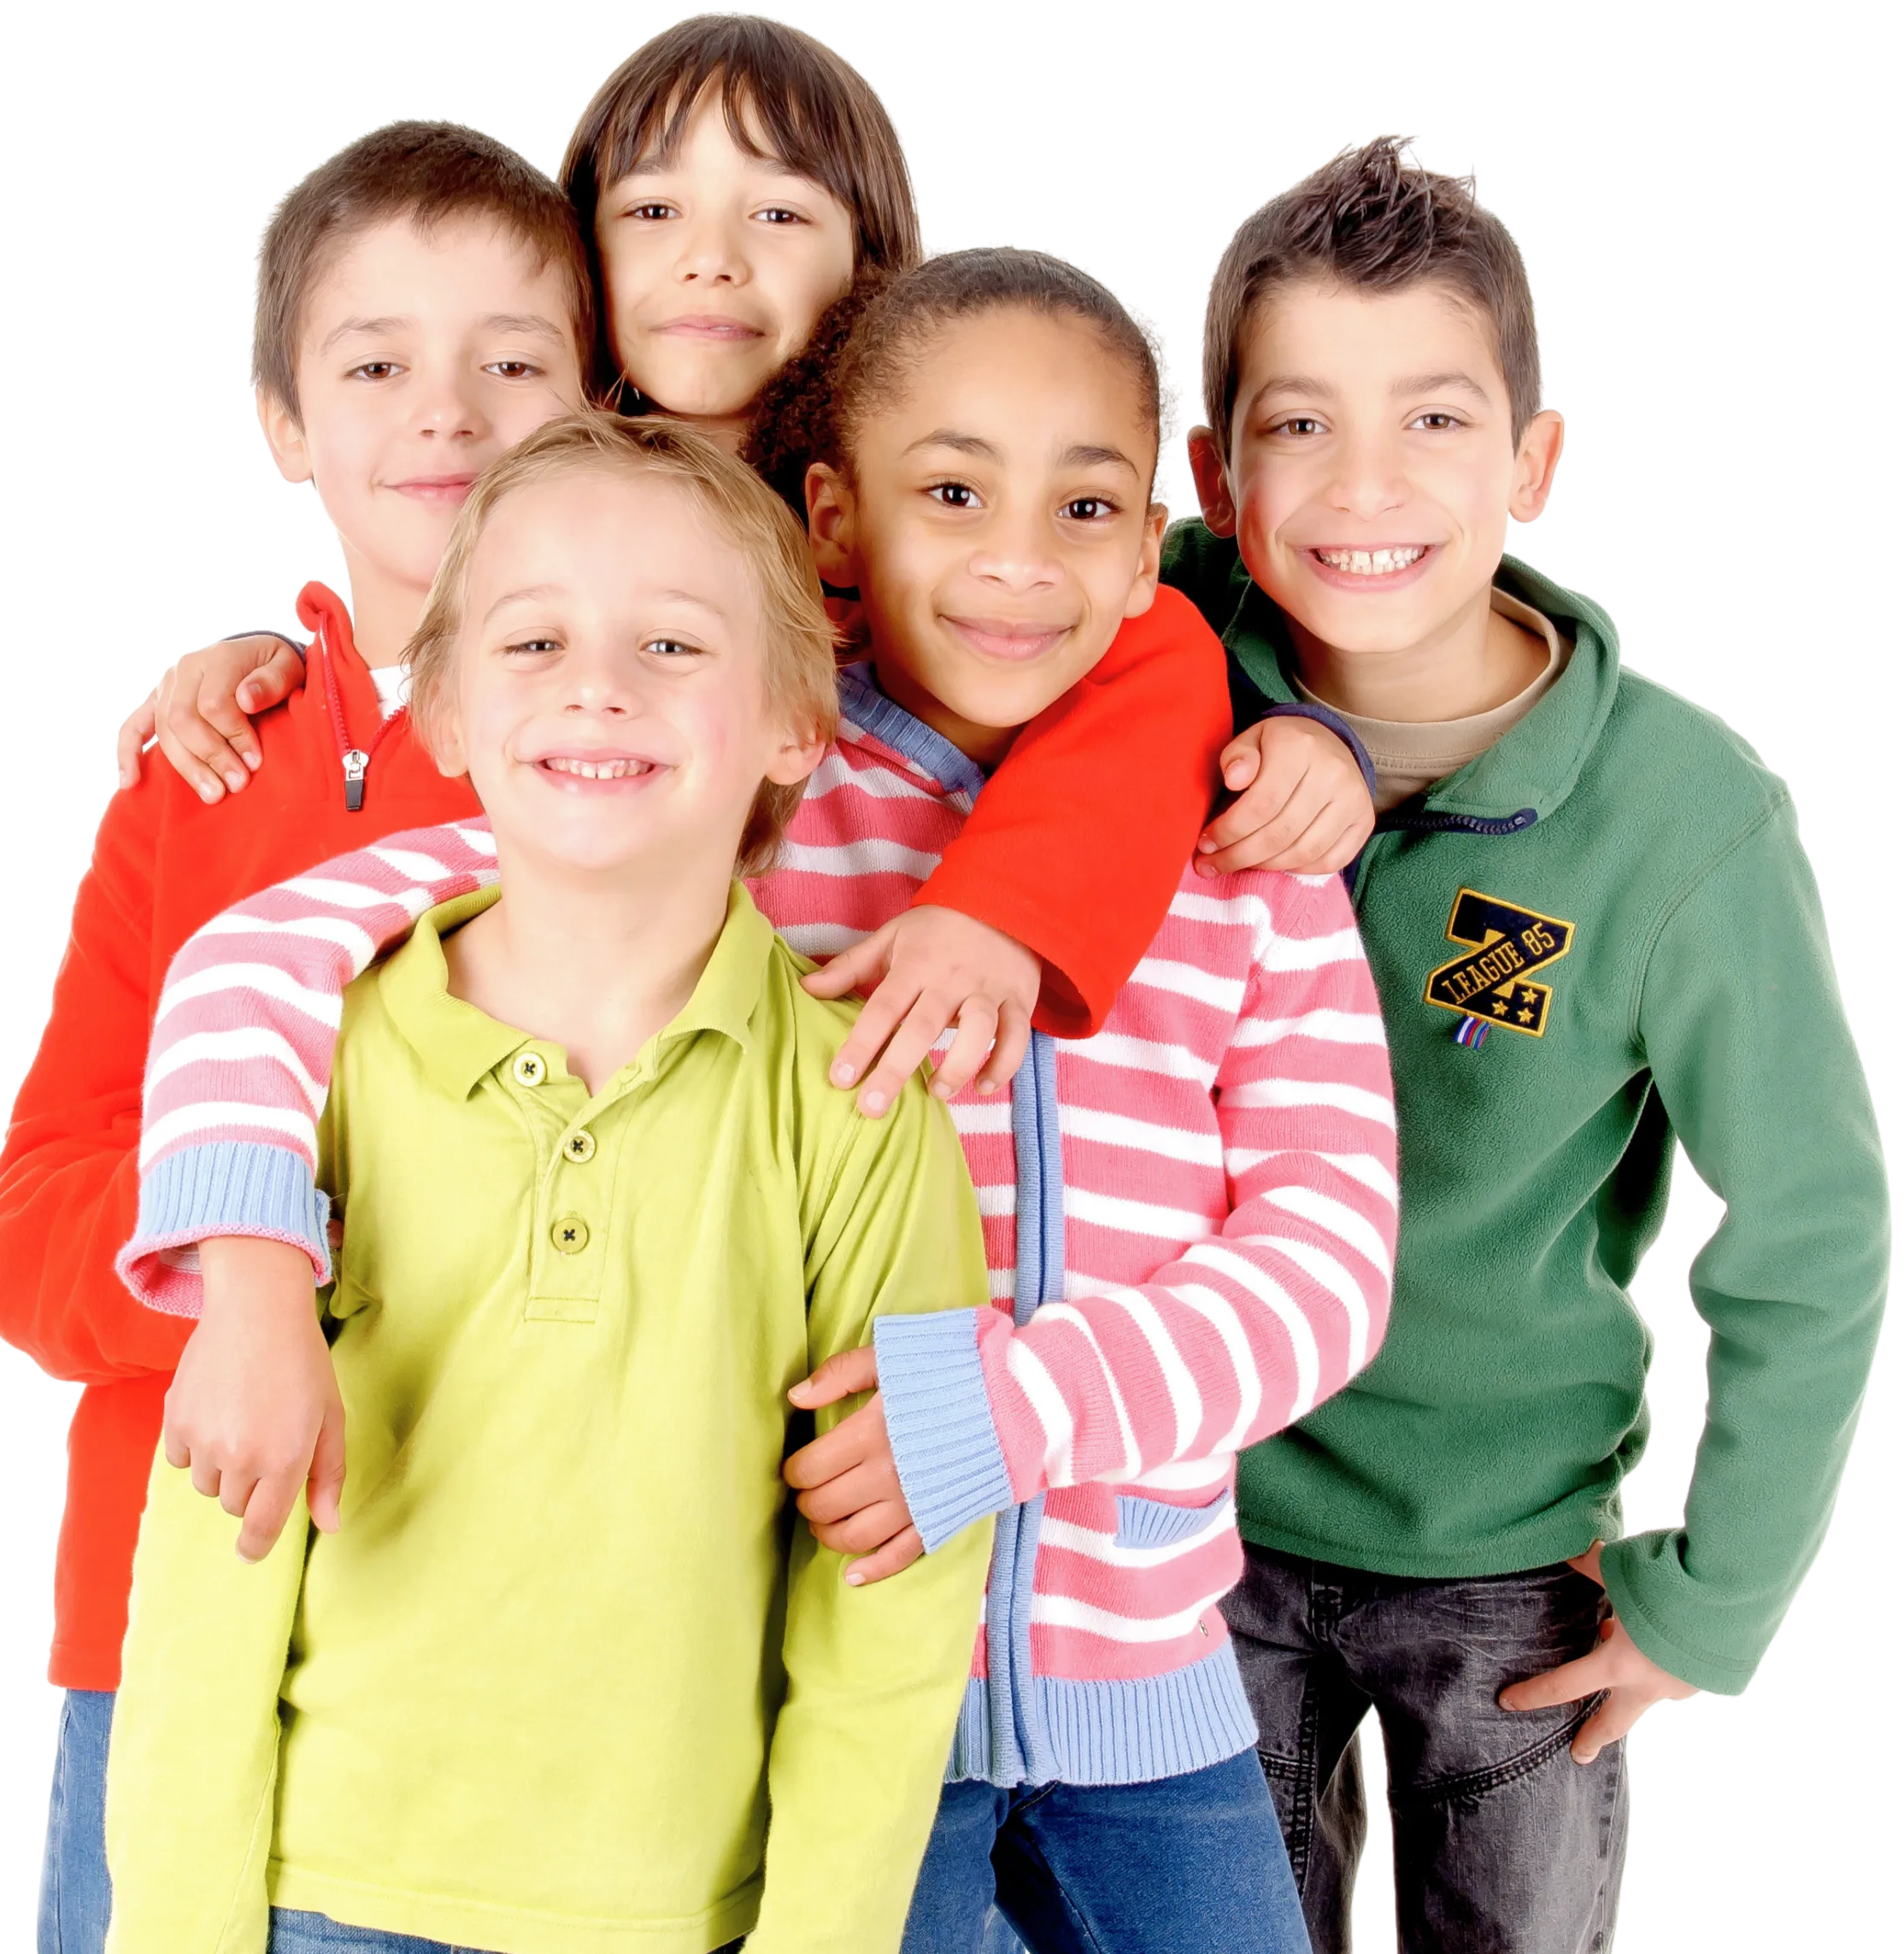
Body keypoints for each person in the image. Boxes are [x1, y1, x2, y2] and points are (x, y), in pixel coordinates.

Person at [120, 246, 1402, 1954]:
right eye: (952, 492)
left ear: (1157, 532)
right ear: (834, 522)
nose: (1017, 558)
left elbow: (1327, 1262)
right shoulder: (731, 756)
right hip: (801, 1691)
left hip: (1134, 1669)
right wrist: (250, 1261)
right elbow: (289, 940)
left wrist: (1024, 1404)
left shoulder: (1242, 849)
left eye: (1086, 508)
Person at [115, 13, 1377, 1125]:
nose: (711, 258)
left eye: (777, 213)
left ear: (874, 269)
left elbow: (1153, 662)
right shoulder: (552, 533)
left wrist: (1013, 907)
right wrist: (293, 664)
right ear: (581, 272)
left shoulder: (941, 541)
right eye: (652, 212)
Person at [106, 413, 996, 1954]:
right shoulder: (308, 1068)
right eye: (534, 640)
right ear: (446, 709)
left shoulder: (862, 1108)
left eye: (672, 642)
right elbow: (216, 1542)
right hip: (326, 1899)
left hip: (678, 1916)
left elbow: (896, 1581)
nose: (599, 685)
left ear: (797, 721)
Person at [1164, 134, 1891, 1952]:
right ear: (1211, 473)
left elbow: (1811, 1224)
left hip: (1505, 1562)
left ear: (1535, 463)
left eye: (1431, 419)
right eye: (1298, 423)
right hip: (1179, 1519)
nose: (1364, 484)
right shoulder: (1142, 668)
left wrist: (1713, 1594)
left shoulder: (1686, 811)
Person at [0, 118, 594, 1954]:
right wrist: (244, 1295)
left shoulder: (630, 764)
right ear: (280, 421)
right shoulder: (194, 777)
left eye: (511, 362)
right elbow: (27, 1229)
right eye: (375, 366)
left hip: (497, 1625)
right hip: (166, 1610)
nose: (446, 412)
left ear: (594, 401)